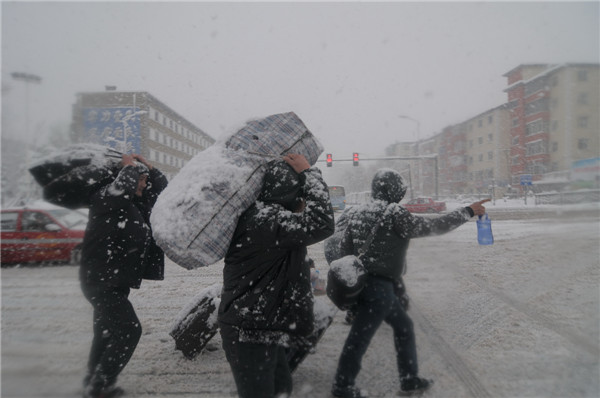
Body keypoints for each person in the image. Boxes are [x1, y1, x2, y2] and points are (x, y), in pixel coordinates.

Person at [331, 168, 489, 398]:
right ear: (396, 191)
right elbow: (434, 227)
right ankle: (342, 386)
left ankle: (409, 379)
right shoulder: (394, 213)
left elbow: (344, 249)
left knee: (404, 327)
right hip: (380, 287)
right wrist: (467, 211)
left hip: (363, 283)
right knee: (359, 337)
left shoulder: (357, 212)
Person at [218, 153, 335, 398]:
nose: (303, 201)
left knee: (281, 387)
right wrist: (310, 174)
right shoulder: (266, 219)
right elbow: (322, 223)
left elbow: (289, 256)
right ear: (289, 192)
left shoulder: (266, 219)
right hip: (249, 330)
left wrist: (314, 279)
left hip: (263, 325)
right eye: (300, 193)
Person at [80, 154, 168, 398]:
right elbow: (124, 187)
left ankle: (92, 380)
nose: (143, 184)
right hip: (101, 281)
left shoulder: (132, 204)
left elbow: (159, 192)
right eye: (140, 180)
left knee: (106, 331)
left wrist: (151, 169)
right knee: (129, 330)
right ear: (125, 178)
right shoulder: (107, 197)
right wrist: (129, 168)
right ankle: (100, 386)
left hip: (113, 281)